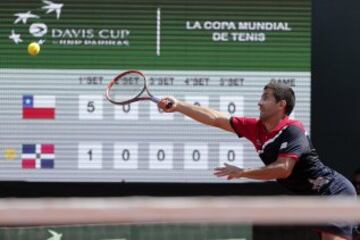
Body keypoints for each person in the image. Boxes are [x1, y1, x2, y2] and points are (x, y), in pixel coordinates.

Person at [158, 82, 357, 240]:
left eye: (265, 98)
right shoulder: (256, 128)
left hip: (333, 192)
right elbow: (216, 118)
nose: (259, 102)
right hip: (315, 201)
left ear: (281, 105)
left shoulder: (293, 130)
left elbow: (283, 169)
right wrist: (179, 106)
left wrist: (243, 172)